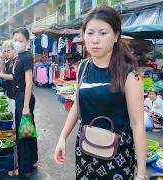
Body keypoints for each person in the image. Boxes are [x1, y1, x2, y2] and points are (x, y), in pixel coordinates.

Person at [54, 6, 147, 179]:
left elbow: (137, 125)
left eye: (103, 33)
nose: (95, 40)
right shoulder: (83, 68)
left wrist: (141, 173)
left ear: (116, 35)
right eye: (90, 33)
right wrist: (62, 137)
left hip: (117, 156)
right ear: (83, 35)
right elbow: (77, 106)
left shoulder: (129, 75)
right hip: (85, 150)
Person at [7, 27, 38, 178]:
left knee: (23, 133)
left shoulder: (26, 57)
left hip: (23, 97)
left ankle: (23, 168)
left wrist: (25, 105)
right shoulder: (18, 57)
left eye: (20, 41)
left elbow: (29, 83)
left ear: (27, 41)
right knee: (28, 128)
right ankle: (32, 160)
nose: (17, 43)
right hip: (20, 97)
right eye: (15, 40)